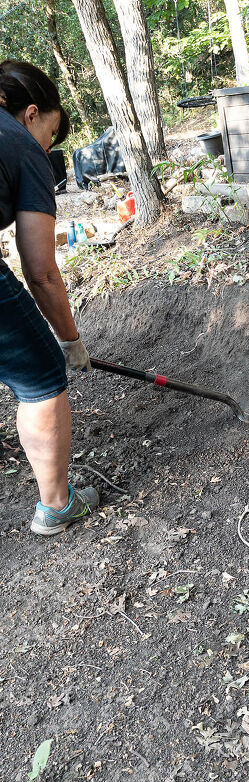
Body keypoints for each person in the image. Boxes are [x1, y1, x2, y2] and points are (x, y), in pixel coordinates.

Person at [0, 59, 99, 535]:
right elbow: (40, 271)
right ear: (32, 113)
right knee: (40, 377)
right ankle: (57, 506)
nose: (48, 149)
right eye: (51, 135)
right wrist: (68, 340)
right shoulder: (20, 146)